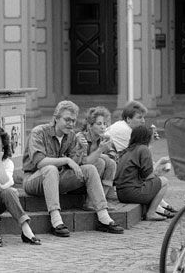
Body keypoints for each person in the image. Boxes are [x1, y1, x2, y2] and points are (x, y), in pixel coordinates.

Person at [23, 100, 124, 237]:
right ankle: (56, 220)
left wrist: (80, 151)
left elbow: (76, 164)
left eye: (73, 121)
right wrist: (67, 160)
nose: (70, 124)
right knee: (50, 168)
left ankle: (103, 216)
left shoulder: (70, 136)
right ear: (56, 118)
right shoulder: (39, 132)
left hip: (58, 178)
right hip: (34, 179)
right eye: (67, 120)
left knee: (90, 168)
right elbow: (40, 162)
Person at [114, 125, 176, 221]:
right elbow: (149, 177)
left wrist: (160, 172)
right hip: (132, 193)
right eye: (151, 135)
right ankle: (151, 213)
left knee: (159, 181)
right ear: (146, 137)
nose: (153, 137)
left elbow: (144, 176)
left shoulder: (129, 150)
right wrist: (160, 162)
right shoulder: (143, 149)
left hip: (121, 194)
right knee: (164, 181)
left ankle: (158, 209)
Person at [76, 107, 117, 205]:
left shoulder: (104, 138)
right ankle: (90, 202)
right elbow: (84, 162)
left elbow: (114, 156)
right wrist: (100, 151)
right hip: (78, 173)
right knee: (100, 162)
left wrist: (108, 153)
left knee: (111, 163)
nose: (103, 127)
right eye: (99, 124)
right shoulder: (81, 137)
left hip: (97, 174)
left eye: (105, 124)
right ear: (90, 125)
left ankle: (102, 200)